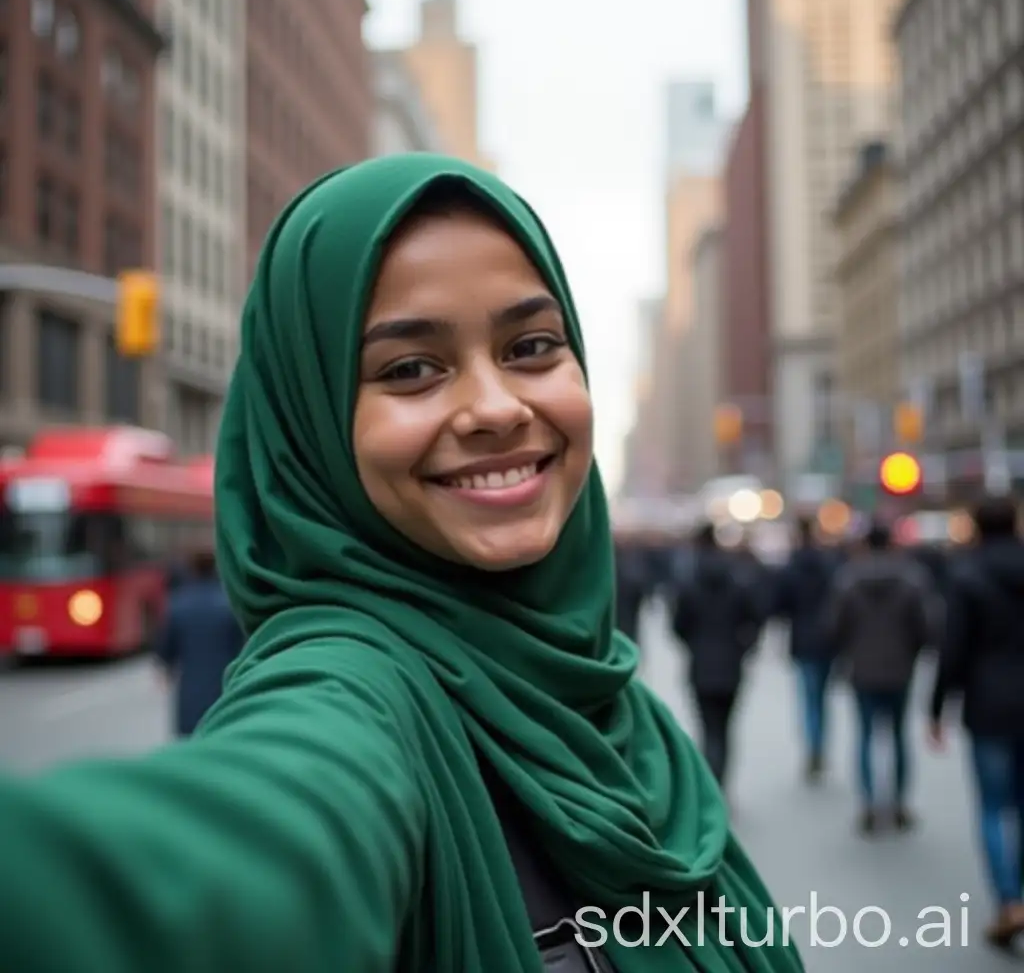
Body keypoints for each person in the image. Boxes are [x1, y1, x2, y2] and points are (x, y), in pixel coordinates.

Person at [0, 156, 803, 972]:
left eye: (530, 346)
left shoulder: (615, 700)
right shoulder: (349, 688)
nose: (496, 408)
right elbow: (266, 835)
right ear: (311, 427)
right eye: (410, 369)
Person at [929, 496, 1024, 947]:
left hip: (987, 704)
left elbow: (953, 650)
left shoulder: (967, 575)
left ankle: (1008, 899)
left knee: (992, 805)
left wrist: (935, 708)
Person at [824, 522, 937, 834]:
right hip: (900, 669)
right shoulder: (912, 579)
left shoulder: (848, 579)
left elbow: (835, 627)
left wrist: (849, 652)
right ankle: (899, 803)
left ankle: (869, 804)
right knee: (899, 736)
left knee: (865, 735)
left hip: (862, 669)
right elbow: (926, 627)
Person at [671, 523, 762, 792]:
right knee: (725, 729)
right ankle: (719, 783)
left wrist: (693, 645)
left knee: (707, 727)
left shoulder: (690, 582)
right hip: (731, 665)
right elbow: (755, 618)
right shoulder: (737, 580)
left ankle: (710, 783)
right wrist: (743, 647)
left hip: (701, 665)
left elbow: (678, 625)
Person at [773, 517, 840, 782]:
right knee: (823, 698)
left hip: (803, 640)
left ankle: (813, 745)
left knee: (809, 698)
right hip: (827, 641)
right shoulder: (830, 565)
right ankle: (820, 745)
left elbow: (779, 605)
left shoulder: (791, 568)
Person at [154, 543, 245, 736]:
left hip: (190, 690)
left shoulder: (178, 603)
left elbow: (166, 648)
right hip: (224, 687)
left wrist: (164, 667)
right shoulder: (229, 604)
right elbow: (241, 646)